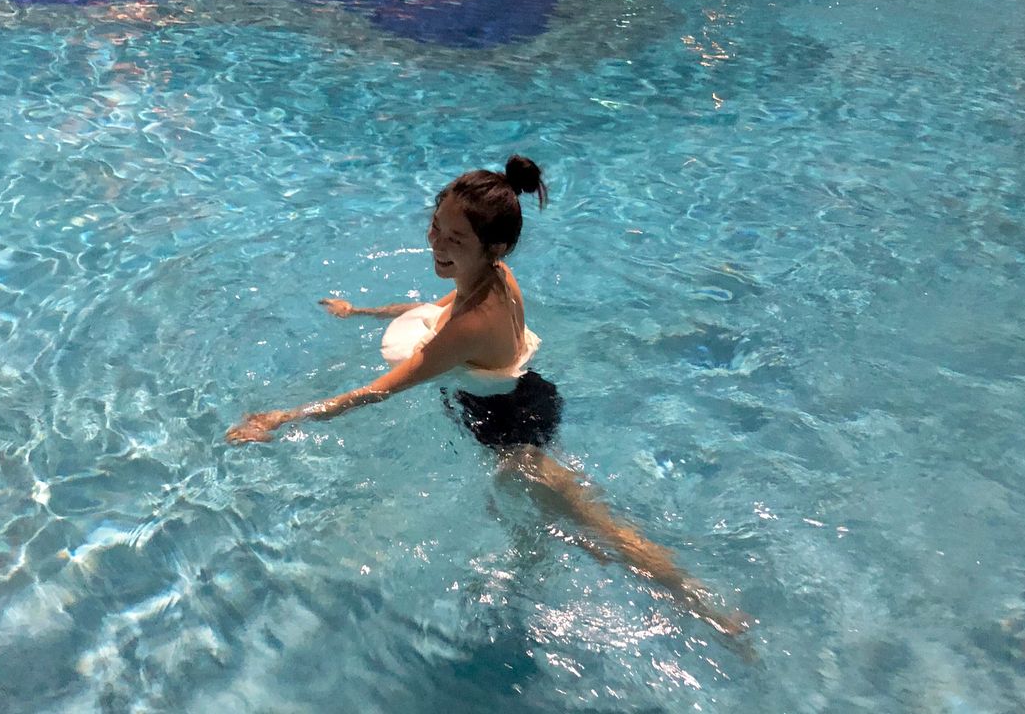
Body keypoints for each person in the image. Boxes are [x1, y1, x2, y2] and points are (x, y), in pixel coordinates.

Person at [226, 156, 751, 641]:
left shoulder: (473, 325)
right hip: (527, 395)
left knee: (596, 524)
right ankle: (575, 546)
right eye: (436, 225)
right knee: (537, 517)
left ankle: (711, 612)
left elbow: (380, 390)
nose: (436, 242)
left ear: (492, 247)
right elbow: (431, 309)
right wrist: (360, 313)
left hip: (512, 438)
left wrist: (283, 418)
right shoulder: (492, 277)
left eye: (454, 237)